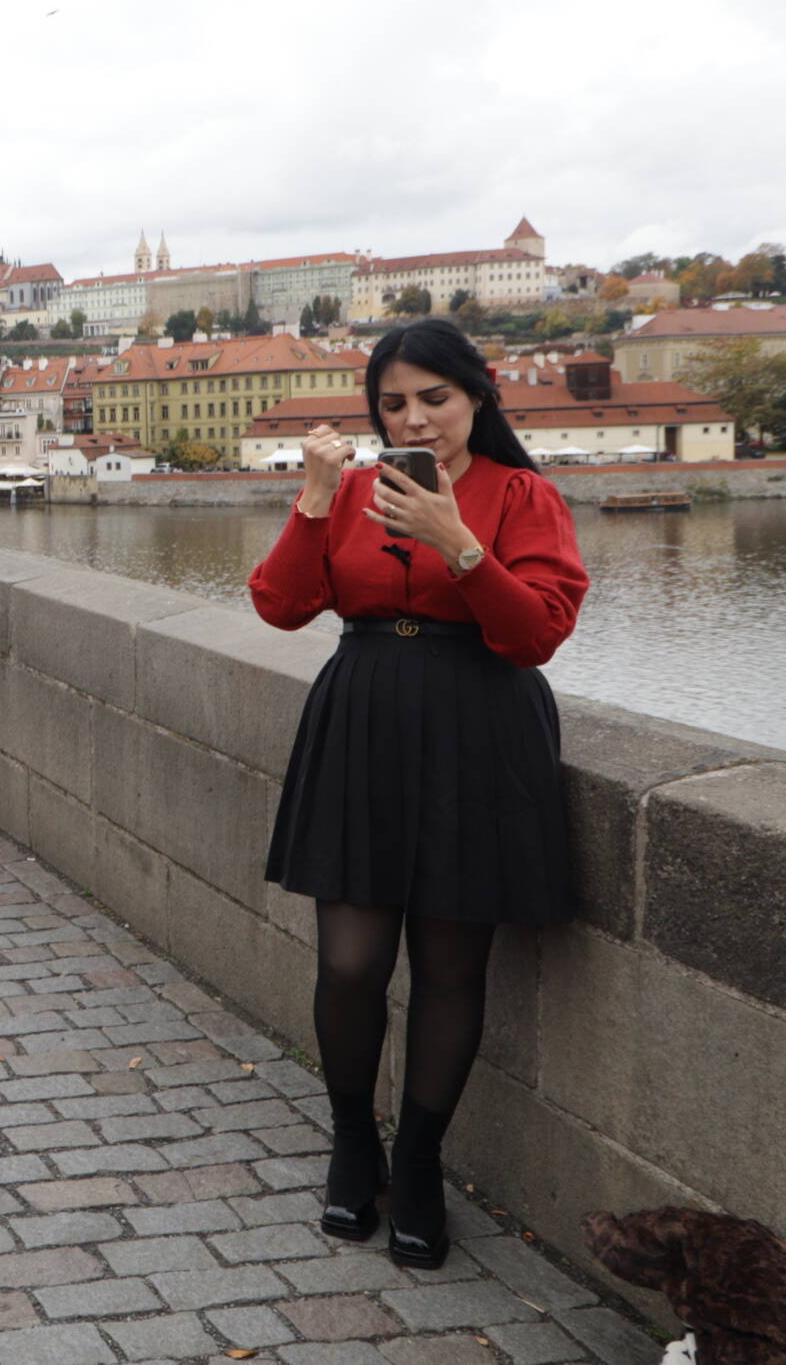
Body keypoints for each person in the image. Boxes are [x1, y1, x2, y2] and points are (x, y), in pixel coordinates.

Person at [248, 317, 587, 1272]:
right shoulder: (350, 489)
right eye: (394, 402)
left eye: (435, 397)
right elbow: (280, 605)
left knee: (448, 964)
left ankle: (423, 1160)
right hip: (363, 717)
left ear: (477, 394)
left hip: (479, 724)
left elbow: (538, 633)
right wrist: (314, 500)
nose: (416, 417)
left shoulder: (524, 494)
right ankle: (353, 1137)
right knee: (351, 960)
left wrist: (458, 540)